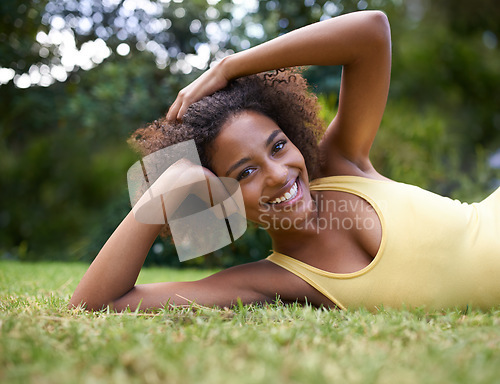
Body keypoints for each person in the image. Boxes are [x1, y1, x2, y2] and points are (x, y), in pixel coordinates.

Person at [69, 10, 500, 313]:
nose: (279, 174)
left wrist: (230, 65)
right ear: (223, 198)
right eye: (246, 172)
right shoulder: (273, 280)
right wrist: (164, 191)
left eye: (277, 147)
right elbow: (97, 304)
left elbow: (372, 31)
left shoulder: (341, 163)